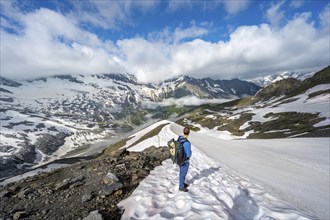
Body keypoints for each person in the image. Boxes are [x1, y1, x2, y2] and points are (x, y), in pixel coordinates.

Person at [178, 127, 192, 192]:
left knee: (182, 172)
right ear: (189, 133)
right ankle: (181, 186)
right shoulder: (187, 143)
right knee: (183, 173)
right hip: (184, 160)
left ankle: (182, 183)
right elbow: (188, 154)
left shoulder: (180, 138)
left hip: (179, 159)